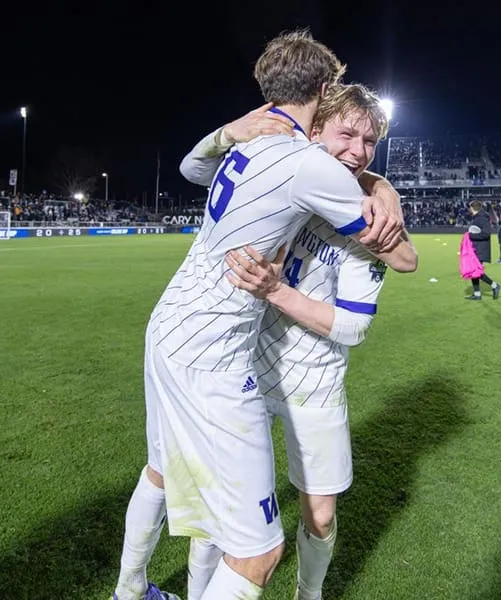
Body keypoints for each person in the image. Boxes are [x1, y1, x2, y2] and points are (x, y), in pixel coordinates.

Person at [112, 30, 406, 600]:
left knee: (161, 471)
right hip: (214, 351)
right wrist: (381, 192)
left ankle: (129, 591)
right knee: (258, 550)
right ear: (323, 92)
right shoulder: (305, 165)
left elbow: (191, 169)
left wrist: (227, 130)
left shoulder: (246, 144)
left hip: (168, 325)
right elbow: (401, 254)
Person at [179, 83, 417, 600]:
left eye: (369, 141)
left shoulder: (361, 216)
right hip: (247, 366)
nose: (357, 149)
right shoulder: (286, 176)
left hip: (316, 380)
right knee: (224, 503)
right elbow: (196, 169)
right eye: (346, 134)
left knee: (321, 514)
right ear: (312, 131)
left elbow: (361, 316)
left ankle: (309, 595)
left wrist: (382, 190)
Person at [466, 200, 501, 300]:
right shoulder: (478, 218)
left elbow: (486, 234)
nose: (469, 209)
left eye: (470, 208)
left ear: (473, 208)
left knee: (476, 271)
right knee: (474, 271)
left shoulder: (483, 218)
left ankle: (494, 285)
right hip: (476, 248)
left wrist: (470, 236)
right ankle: (477, 294)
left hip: (480, 248)